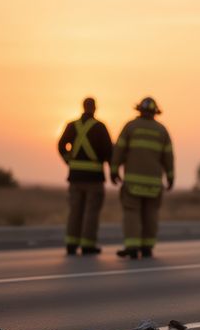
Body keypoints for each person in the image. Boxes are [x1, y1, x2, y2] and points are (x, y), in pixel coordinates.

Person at [110, 97, 175, 259]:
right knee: (151, 214)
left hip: (133, 183)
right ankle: (147, 247)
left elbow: (118, 150)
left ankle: (132, 246)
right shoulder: (162, 131)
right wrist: (170, 177)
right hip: (153, 184)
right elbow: (168, 157)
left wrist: (114, 170)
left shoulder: (130, 127)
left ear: (139, 110)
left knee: (132, 213)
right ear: (155, 112)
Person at [57, 97, 113, 255]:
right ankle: (88, 245)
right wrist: (114, 171)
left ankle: (71, 243)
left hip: (75, 178)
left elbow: (61, 145)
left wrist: (70, 161)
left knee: (75, 211)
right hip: (94, 179)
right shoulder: (100, 127)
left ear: (83, 107)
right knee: (91, 212)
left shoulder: (72, 126)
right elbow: (109, 152)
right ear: (94, 108)